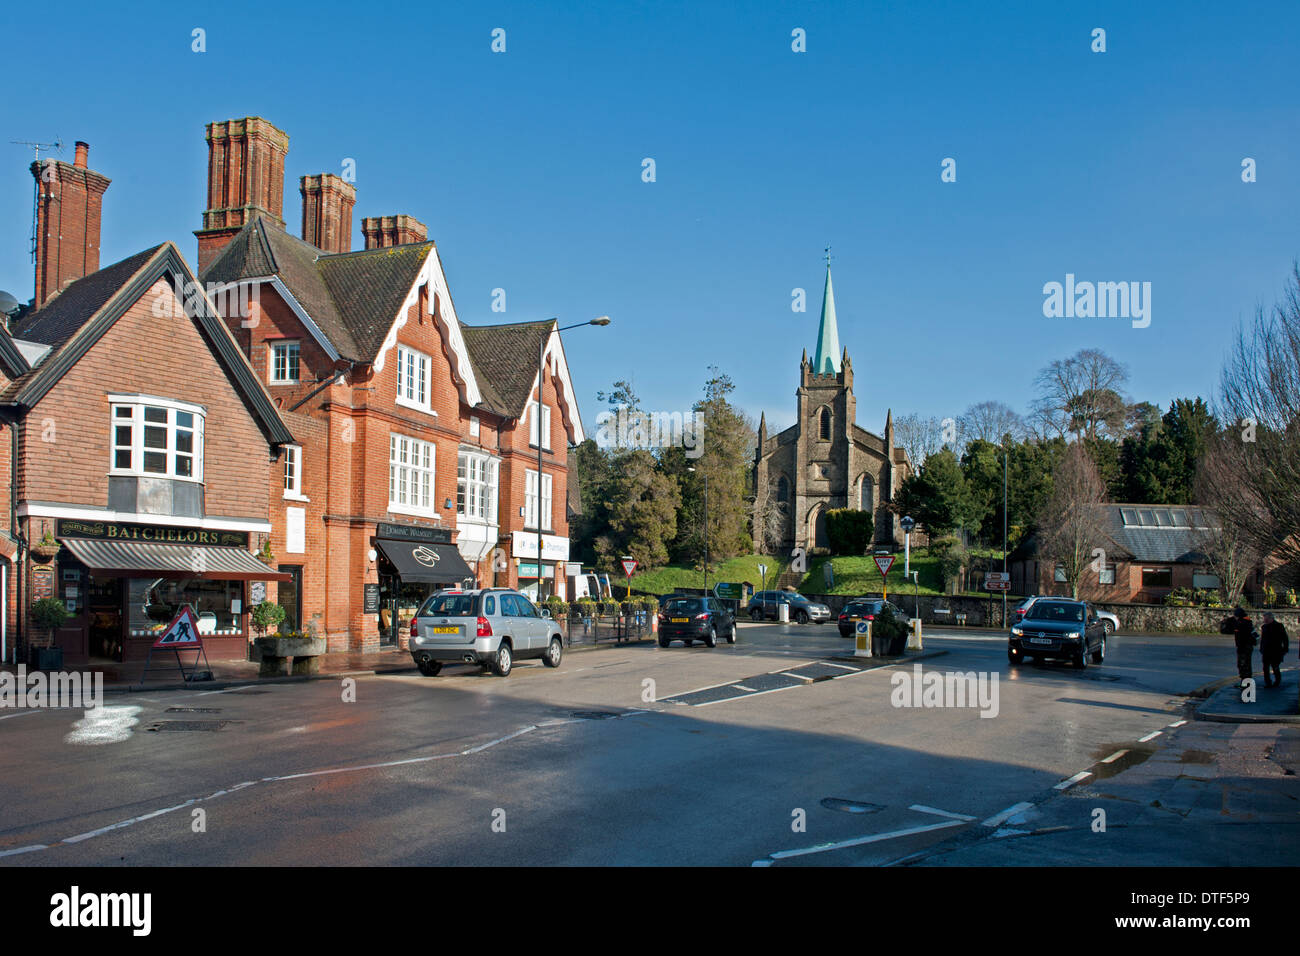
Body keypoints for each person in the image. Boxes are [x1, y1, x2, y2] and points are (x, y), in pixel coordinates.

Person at [1222, 607, 1256, 685]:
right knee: (1244, 665)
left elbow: (1229, 630)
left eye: (1236, 616)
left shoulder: (1242, 623)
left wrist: (1227, 621)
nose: (1235, 617)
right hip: (1244, 646)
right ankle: (1245, 682)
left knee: (1244, 665)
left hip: (1244, 646)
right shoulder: (1245, 621)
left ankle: (1246, 683)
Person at [1260, 612, 1290, 688]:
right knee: (1265, 668)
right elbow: (1263, 639)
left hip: (1275, 650)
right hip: (1266, 651)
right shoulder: (1264, 627)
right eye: (1264, 618)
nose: (1265, 620)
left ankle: (1277, 681)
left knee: (1275, 666)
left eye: (1266, 618)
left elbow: (1285, 638)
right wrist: (1261, 648)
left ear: (1271, 618)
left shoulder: (1279, 626)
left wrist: (1285, 648)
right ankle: (1268, 683)